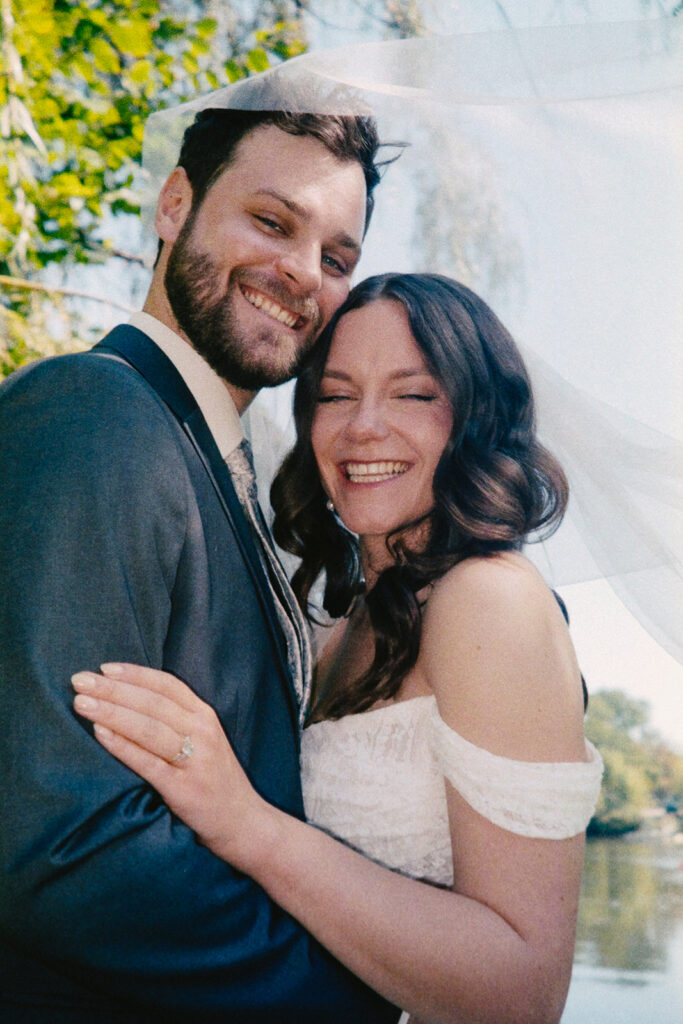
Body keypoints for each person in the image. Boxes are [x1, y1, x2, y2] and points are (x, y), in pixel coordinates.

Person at [72, 274, 604, 1024]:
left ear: (477, 419)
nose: (362, 427)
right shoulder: (339, 618)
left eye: (413, 395)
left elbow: (522, 992)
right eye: (335, 393)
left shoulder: (490, 601)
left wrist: (244, 823)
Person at [0, 108, 401, 1023]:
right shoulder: (90, 413)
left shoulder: (220, 472)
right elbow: (65, 847)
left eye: (337, 259)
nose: (303, 272)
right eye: (271, 222)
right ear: (174, 204)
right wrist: (363, 1001)